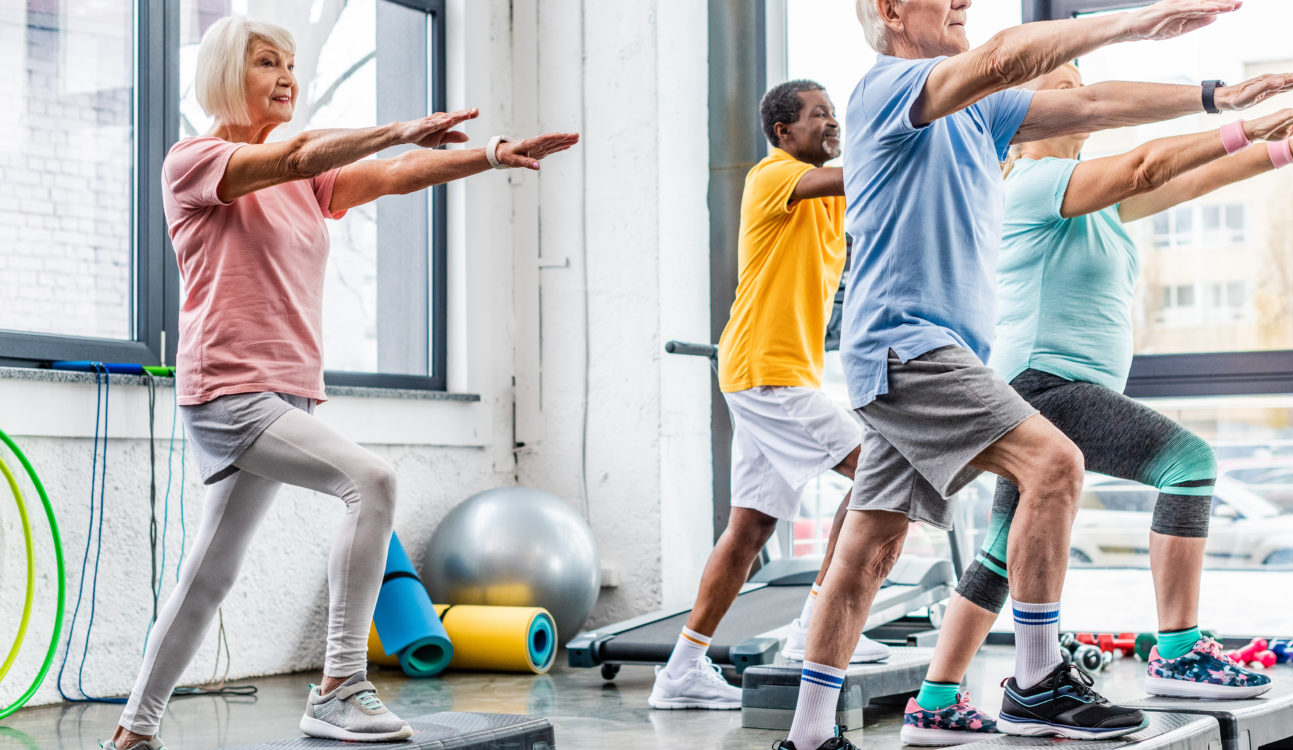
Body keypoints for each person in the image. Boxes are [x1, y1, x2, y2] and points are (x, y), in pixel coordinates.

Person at [774, 1, 1293, 748]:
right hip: (909, 347)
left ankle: (807, 738)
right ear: (892, 9)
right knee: (1055, 464)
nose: (964, 2)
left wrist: (1218, 98)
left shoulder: (982, 116)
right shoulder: (888, 86)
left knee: (871, 546)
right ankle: (1034, 682)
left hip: (930, 356)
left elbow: (1095, 104)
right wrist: (1138, 21)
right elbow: (1008, 58)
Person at [106, 15, 577, 750]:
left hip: (285, 389)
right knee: (373, 481)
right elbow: (294, 159)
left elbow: (390, 176)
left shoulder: (307, 175)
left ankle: (134, 731)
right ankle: (339, 685)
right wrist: (398, 126)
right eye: (267, 63)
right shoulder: (195, 160)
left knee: (208, 575)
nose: (287, 76)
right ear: (229, 72)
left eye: (291, 63)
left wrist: (491, 153)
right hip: (229, 386)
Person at [899, 62, 1293, 746]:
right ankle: (1177, 651)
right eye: (1060, 86)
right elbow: (1148, 164)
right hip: (1046, 384)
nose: (1078, 94)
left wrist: (1286, 151)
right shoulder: (1030, 182)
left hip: (1047, 384)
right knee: (1189, 464)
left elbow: (1192, 178)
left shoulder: (1087, 198)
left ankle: (935, 701)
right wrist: (1240, 120)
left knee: (1006, 552)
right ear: (1024, 115)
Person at [649, 79, 892, 712]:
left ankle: (682, 669)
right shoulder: (772, 174)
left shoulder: (830, 200)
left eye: (835, 114)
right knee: (881, 477)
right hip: (767, 369)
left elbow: (879, 196)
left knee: (750, 527)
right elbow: (854, 172)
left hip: (774, 373)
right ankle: (815, 628)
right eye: (819, 116)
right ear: (784, 132)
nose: (832, 123)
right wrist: (885, 135)